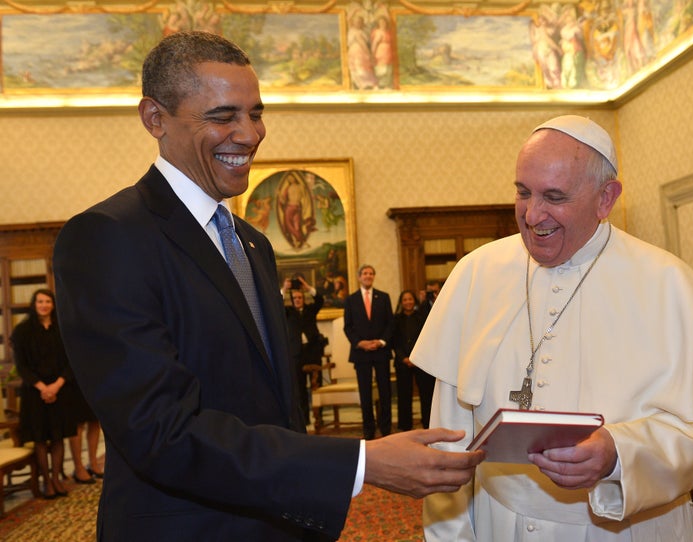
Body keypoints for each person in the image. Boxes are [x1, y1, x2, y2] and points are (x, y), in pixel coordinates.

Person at [52, 31, 482, 542]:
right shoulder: (108, 237)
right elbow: (161, 433)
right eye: (223, 116)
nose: (251, 134)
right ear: (154, 119)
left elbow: (273, 406)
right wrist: (363, 462)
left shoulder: (251, 242)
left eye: (255, 113)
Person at [411, 114, 693, 541]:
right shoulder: (476, 274)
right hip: (500, 523)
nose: (532, 214)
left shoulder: (671, 286)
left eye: (554, 196)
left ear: (605, 198)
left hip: (629, 528)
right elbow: (449, 436)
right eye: (523, 192)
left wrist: (619, 454)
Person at [11, 288, 77, 499]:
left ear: (53, 305)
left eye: (48, 301)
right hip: (35, 393)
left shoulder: (62, 329)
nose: (44, 305)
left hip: (60, 390)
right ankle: (46, 482)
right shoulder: (22, 331)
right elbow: (21, 366)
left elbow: (70, 361)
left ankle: (57, 479)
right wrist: (43, 388)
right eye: (40, 301)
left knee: (58, 438)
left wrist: (56, 385)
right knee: (40, 439)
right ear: (34, 304)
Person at [343, 265, 395, 440]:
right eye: (365, 273)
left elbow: (390, 324)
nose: (368, 276)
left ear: (374, 277)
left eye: (371, 273)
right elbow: (348, 327)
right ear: (359, 277)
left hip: (381, 351)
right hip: (361, 353)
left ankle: (386, 427)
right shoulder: (351, 300)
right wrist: (360, 343)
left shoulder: (384, 297)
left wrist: (380, 342)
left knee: (385, 391)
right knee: (365, 394)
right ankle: (368, 429)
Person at [283, 275, 326, 425]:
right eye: (295, 298)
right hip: (296, 354)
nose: (298, 300)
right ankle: (305, 419)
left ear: (303, 298)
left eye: (300, 297)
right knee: (300, 388)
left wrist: (307, 287)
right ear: (292, 299)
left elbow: (320, 300)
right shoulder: (287, 312)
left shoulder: (310, 310)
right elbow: (274, 303)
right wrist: (285, 288)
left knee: (316, 385)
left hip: (312, 352)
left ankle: (319, 418)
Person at [392, 290, 435, 430]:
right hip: (402, 361)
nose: (408, 302)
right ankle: (405, 426)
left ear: (414, 301)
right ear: (401, 302)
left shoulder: (422, 317)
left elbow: (425, 338)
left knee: (426, 395)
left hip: (420, 361)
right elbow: (395, 341)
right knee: (404, 395)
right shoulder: (396, 319)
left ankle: (428, 424)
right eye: (405, 300)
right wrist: (403, 357)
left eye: (410, 299)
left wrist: (415, 358)